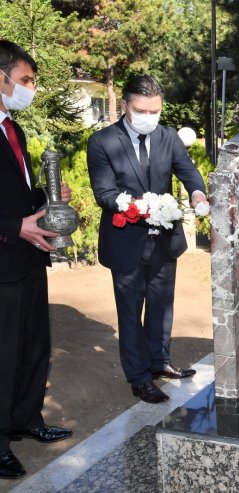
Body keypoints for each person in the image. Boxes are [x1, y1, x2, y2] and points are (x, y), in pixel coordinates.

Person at [88, 75, 207, 404]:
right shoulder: (103, 142)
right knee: (130, 312)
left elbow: (187, 170)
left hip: (164, 240)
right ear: (126, 106)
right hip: (126, 240)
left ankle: (159, 362)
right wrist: (141, 208)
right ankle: (139, 378)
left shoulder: (168, 137)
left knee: (161, 305)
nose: (149, 117)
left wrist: (197, 193)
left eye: (155, 111)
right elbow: (105, 193)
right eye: (142, 110)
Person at [0, 39, 73, 480]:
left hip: (28, 259)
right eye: (25, 80)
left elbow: (17, 193)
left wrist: (47, 200)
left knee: (32, 347)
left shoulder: (13, 128)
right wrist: (14, 227)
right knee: (2, 354)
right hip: (4, 260)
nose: (30, 89)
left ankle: (27, 419)